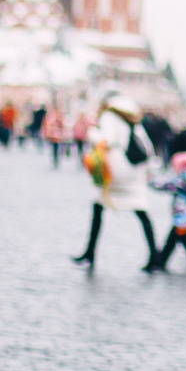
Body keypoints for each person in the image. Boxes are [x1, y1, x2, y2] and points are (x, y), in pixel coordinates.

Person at [73, 95, 159, 268]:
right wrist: (149, 171)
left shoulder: (109, 116)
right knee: (141, 210)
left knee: (98, 206)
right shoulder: (132, 119)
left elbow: (108, 140)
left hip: (116, 170)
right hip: (134, 171)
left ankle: (90, 252)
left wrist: (91, 133)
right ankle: (154, 255)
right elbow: (147, 147)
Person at [149, 151, 186, 271]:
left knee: (182, 237)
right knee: (178, 236)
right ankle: (162, 260)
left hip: (182, 212)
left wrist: (150, 182)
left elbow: (166, 185)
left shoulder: (182, 177)